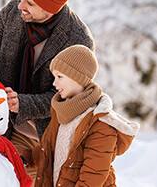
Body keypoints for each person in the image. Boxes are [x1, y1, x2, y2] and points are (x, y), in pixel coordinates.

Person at [0, 0, 95, 151]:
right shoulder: (10, 14)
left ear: (50, 9)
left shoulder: (78, 41)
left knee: (17, 177)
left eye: (30, 3)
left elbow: (67, 98)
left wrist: (23, 104)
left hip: (41, 135)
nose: (20, 6)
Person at [23, 45, 140, 186]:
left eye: (60, 76)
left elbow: (93, 175)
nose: (54, 83)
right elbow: (51, 152)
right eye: (54, 77)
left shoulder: (100, 122)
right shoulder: (62, 112)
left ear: (78, 77)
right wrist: (25, 158)